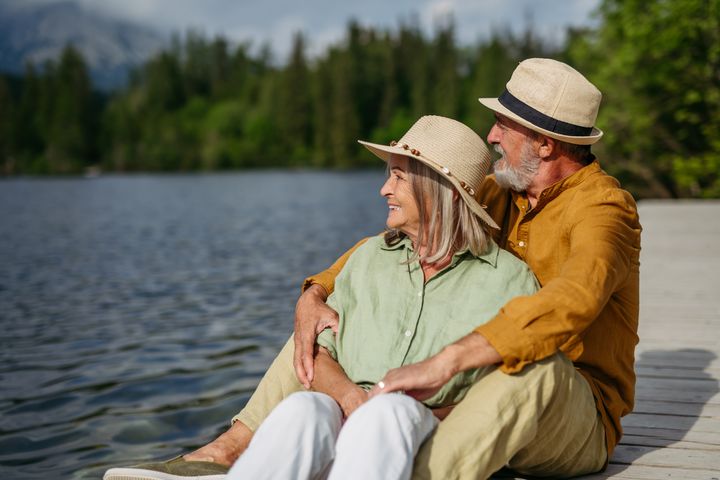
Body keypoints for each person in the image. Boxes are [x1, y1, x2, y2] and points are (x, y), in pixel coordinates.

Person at [105, 58, 642, 480]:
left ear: (545, 144)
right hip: (491, 390)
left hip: (570, 403)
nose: (493, 135)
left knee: (529, 370)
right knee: (319, 330)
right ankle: (227, 452)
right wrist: (317, 291)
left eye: (504, 124)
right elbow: (413, 223)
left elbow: (577, 297)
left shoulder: (604, 210)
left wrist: (445, 363)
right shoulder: (506, 186)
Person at [224, 115, 538, 480]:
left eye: (399, 177)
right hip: (348, 413)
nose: (384, 189)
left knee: (386, 414)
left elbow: (511, 393)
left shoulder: (509, 282)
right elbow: (320, 353)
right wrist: (350, 399)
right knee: (302, 409)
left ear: (445, 190)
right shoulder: (368, 259)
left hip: (433, 433)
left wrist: (386, 406)